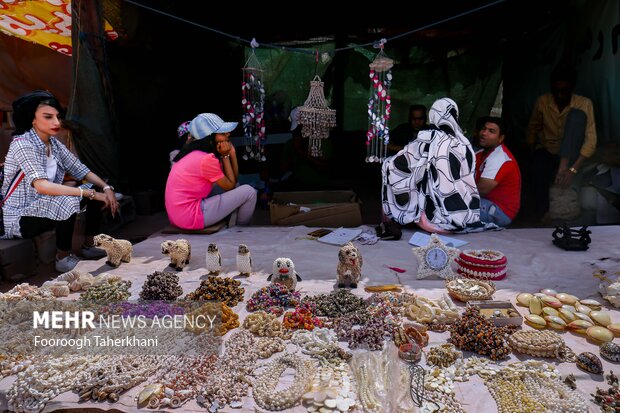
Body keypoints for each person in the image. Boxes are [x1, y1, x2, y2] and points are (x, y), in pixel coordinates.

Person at [2, 90, 119, 272]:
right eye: (48, 117)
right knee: (67, 198)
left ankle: (89, 244)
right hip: (20, 217)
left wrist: (106, 188)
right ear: (32, 119)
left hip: (45, 207)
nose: (56, 123)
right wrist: (91, 194)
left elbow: (81, 170)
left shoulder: (54, 144)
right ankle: (62, 258)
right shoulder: (22, 144)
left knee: (96, 185)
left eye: (57, 116)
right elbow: (42, 186)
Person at [382, 97, 489, 233]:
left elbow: (403, 160)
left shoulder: (429, 136)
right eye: (414, 118)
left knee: (392, 168)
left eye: (420, 118)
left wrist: (388, 164)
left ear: (432, 115)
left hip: (440, 200)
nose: (417, 122)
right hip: (465, 200)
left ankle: (424, 215)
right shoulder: (463, 141)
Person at [526, 63, 597, 220]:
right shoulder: (543, 101)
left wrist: (572, 170)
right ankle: (542, 214)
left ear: (572, 88)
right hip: (549, 151)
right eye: (556, 91)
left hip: (573, 155)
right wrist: (534, 149)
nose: (559, 96)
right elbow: (533, 128)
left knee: (576, 116)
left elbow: (591, 141)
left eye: (564, 92)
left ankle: (562, 167)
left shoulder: (584, 103)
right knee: (537, 165)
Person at [165, 113, 257, 229]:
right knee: (249, 192)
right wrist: (226, 156)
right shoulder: (205, 159)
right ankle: (239, 232)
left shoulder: (190, 154)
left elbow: (233, 182)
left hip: (178, 216)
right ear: (210, 137)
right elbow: (229, 185)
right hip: (190, 216)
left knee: (237, 187)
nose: (228, 134)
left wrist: (231, 154)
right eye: (222, 133)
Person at [475, 116, 521, 226]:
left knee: (454, 209)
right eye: (484, 129)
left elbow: (481, 190)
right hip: (485, 202)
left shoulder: (500, 158)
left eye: (491, 131)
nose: (484, 133)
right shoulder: (479, 153)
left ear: (500, 138)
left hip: (500, 211)